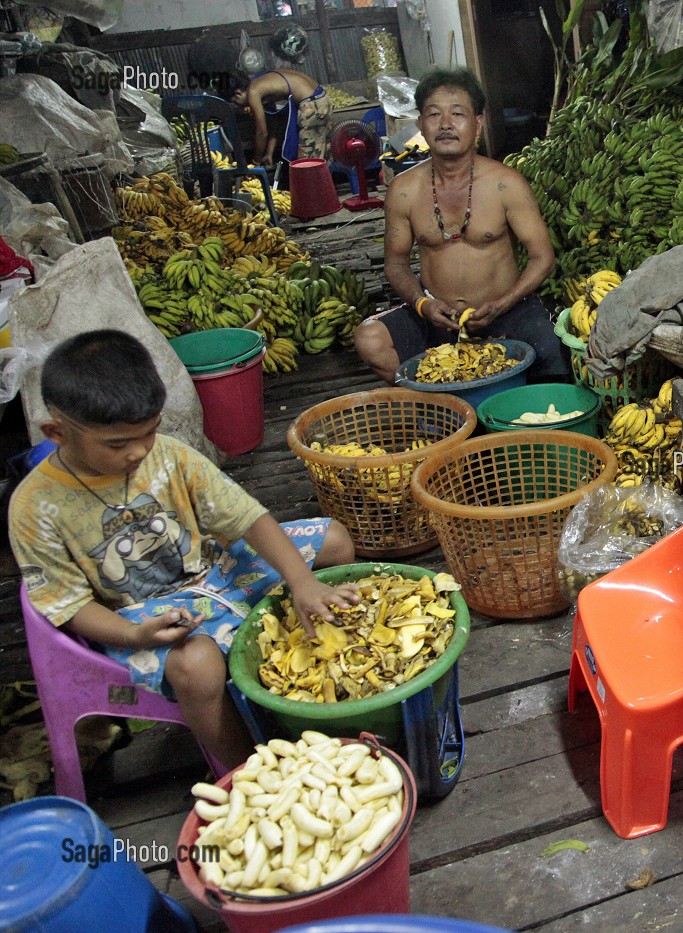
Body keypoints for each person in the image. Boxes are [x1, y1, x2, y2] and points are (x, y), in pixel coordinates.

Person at [7, 331, 362, 771]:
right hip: (139, 614)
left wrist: (303, 581)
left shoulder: (169, 455)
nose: (138, 451)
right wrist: (136, 635)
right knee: (198, 665)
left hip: (216, 569)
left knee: (335, 540)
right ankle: (249, 773)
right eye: (117, 444)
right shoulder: (34, 507)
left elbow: (244, 518)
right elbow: (69, 606)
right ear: (56, 432)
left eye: (150, 432)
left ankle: (323, 663)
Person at [354, 67, 568, 385]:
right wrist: (423, 304)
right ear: (420, 126)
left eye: (458, 114)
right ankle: (443, 406)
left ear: (477, 123)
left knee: (556, 358)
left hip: (507, 311)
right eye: (434, 114)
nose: (446, 125)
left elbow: (543, 258)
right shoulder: (403, 190)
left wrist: (503, 303)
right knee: (369, 340)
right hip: (436, 318)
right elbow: (396, 265)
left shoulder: (506, 183)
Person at [231, 67, 333, 164]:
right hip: (322, 98)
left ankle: (311, 181)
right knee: (322, 152)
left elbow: (262, 133)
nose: (239, 105)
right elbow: (275, 120)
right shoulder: (262, 81)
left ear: (238, 93)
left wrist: (256, 161)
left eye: (235, 101)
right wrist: (269, 153)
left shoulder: (252, 92)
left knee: (306, 162)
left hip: (312, 105)